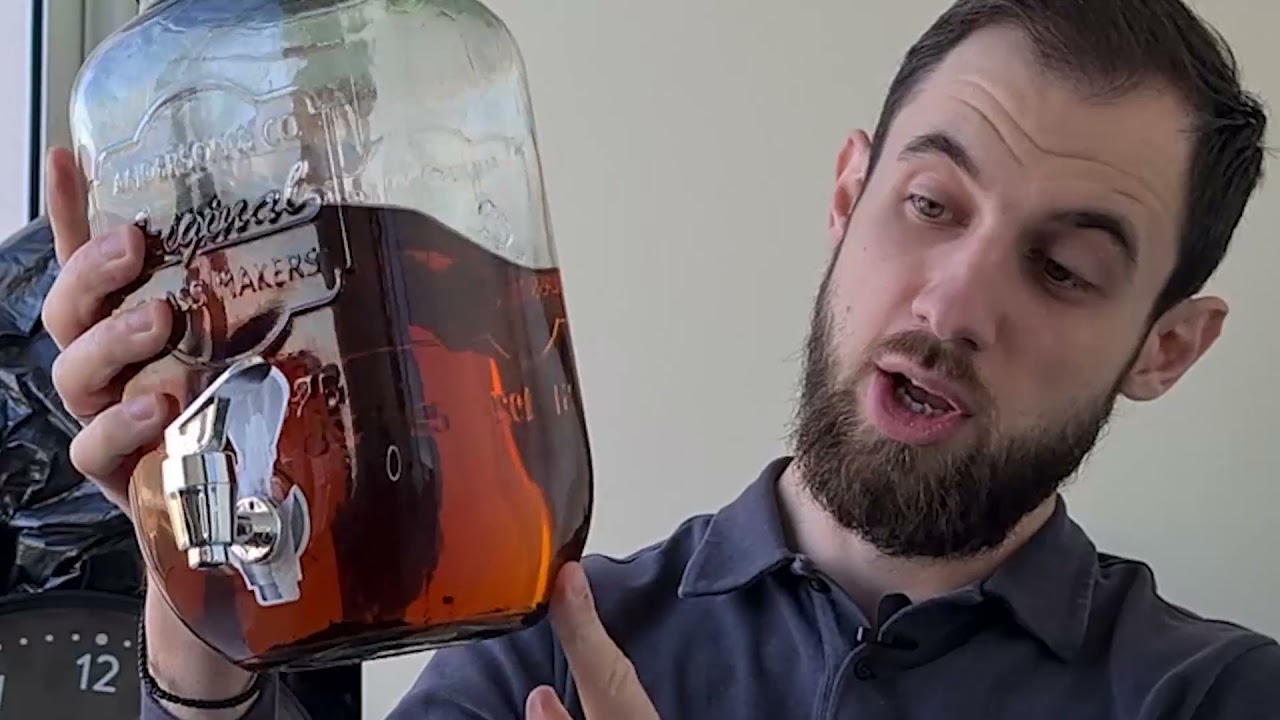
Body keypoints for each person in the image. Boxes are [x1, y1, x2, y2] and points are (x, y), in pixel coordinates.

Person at [38, 0, 1280, 717]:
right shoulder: (536, 644)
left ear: (1164, 347)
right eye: (928, 204)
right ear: (846, 194)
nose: (952, 302)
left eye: (1059, 268)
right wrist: (202, 620)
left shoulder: (1217, 696)